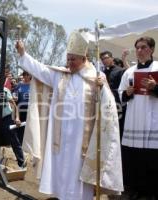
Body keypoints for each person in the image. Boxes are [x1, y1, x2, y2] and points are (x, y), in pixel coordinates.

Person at [15, 31, 123, 200]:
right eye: (68, 58)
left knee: (78, 172)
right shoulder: (60, 75)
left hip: (82, 139)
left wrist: (103, 90)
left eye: (73, 59)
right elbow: (40, 69)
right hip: (61, 134)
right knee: (61, 169)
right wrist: (23, 53)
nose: (69, 63)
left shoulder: (96, 77)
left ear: (83, 57)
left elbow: (108, 106)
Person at [118, 36, 158, 199]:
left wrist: (155, 87)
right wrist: (126, 93)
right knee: (134, 159)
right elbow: (120, 93)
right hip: (134, 121)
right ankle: (135, 190)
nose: (139, 51)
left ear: (152, 50)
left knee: (152, 160)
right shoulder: (129, 72)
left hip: (153, 120)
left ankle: (152, 192)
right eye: (137, 48)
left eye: (143, 47)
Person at [100, 51, 126, 138]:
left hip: (118, 103)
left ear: (112, 58)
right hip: (105, 103)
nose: (104, 60)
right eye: (102, 59)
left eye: (106, 58)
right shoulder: (102, 73)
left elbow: (122, 88)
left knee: (118, 125)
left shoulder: (120, 71)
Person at [13, 71, 31, 144]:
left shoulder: (34, 85)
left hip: (31, 110)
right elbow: (14, 94)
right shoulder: (19, 85)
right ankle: (20, 143)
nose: (25, 76)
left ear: (30, 75)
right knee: (20, 126)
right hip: (20, 109)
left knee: (30, 127)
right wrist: (14, 96)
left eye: (27, 74)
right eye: (24, 74)